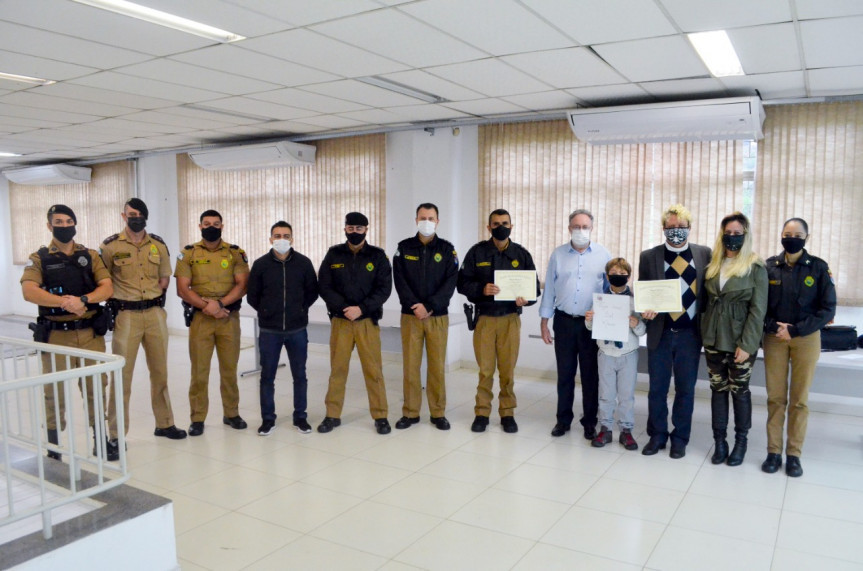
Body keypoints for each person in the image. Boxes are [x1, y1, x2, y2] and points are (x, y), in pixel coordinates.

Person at [21, 204, 116, 461]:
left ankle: (101, 440)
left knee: (96, 386)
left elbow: (107, 288)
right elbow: (29, 291)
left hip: (89, 334)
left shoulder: (90, 255)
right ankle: (54, 447)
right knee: (53, 392)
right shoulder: (39, 257)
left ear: (75, 223)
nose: (64, 226)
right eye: (58, 222)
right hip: (56, 336)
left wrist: (83, 299)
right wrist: (65, 302)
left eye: (68, 221)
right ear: (49, 226)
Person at [101, 198, 187, 445]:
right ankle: (116, 434)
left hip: (154, 314)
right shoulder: (109, 246)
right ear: (123, 216)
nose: (135, 217)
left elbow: (164, 280)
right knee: (122, 376)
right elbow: (103, 281)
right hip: (126, 315)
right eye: (131, 213)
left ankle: (165, 423)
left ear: (146, 216)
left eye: (139, 213)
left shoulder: (158, 244)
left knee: (160, 373)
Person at [761, 218, 836, 477]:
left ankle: (793, 454)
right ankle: (773, 451)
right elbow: (759, 305)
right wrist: (774, 327)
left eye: (797, 234)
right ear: (781, 235)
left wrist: (795, 329)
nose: (791, 237)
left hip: (805, 338)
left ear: (807, 237)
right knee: (775, 397)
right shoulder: (769, 266)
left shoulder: (818, 267)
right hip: (774, 339)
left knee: (799, 400)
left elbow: (828, 309)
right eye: (787, 233)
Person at [457, 209, 540, 434]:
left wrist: (526, 300)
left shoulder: (521, 254)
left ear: (511, 226)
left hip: (510, 320)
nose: (500, 227)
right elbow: (462, 283)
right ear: (488, 227)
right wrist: (481, 289)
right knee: (485, 371)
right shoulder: (477, 252)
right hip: (484, 319)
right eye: (495, 224)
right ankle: (482, 413)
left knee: (507, 371)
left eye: (504, 223)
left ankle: (507, 413)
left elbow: (534, 288)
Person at [639, 204, 712, 459]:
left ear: (689, 228)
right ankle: (657, 435)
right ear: (663, 229)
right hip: (661, 333)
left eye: (681, 227)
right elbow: (644, 292)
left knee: (685, 389)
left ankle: (680, 437)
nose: (676, 232)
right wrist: (645, 310)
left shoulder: (704, 254)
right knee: (657, 389)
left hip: (690, 335)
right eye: (671, 228)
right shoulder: (649, 256)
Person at [174, 209, 249, 436]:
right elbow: (182, 289)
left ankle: (231, 413)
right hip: (201, 320)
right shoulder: (188, 253)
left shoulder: (236, 253)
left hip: (228, 319)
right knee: (199, 371)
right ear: (200, 226)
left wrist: (219, 305)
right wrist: (208, 307)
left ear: (222, 226)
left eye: (216, 223)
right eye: (207, 223)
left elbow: (242, 285)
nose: (211, 227)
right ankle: (197, 418)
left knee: (229, 369)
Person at [701, 212, 768, 467]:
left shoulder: (755, 266)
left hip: (741, 342)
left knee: (739, 392)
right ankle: (720, 441)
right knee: (718, 391)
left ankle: (741, 442)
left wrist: (747, 345)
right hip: (713, 339)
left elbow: (757, 310)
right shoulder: (713, 264)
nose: (732, 238)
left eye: (737, 234)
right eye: (727, 233)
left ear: (746, 235)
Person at [317, 212, 393, 435]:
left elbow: (384, 289)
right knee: (337, 370)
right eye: (351, 229)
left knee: (374, 370)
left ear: (366, 230)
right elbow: (324, 285)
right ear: (345, 229)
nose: (355, 233)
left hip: (367, 321)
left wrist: (361, 308)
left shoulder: (378, 256)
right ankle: (332, 415)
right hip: (341, 321)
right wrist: (344, 308)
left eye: (359, 229)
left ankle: (380, 416)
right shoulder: (334, 254)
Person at [540, 209, 610, 439]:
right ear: (569, 228)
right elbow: (549, 288)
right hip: (564, 322)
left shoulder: (603, 255)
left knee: (591, 376)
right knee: (565, 374)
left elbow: (611, 291)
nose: (581, 231)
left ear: (592, 228)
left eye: (585, 227)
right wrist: (544, 321)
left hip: (591, 325)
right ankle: (563, 420)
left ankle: (590, 421)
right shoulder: (558, 254)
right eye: (576, 226)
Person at [246, 221, 318, 436]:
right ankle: (268, 419)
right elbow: (252, 296)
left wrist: (299, 310)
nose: (281, 239)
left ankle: (300, 417)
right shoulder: (260, 265)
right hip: (270, 330)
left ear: (292, 238)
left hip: (297, 329)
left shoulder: (304, 263)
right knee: (267, 376)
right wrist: (267, 311)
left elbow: (312, 292)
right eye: (277, 235)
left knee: (300, 375)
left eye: (286, 235)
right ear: (270, 239)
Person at [392, 203, 458, 431]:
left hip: (437, 316)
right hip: (410, 317)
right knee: (410, 366)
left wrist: (429, 306)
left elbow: (450, 284)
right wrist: (415, 306)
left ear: (438, 221)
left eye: (431, 218)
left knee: (436, 367)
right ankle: (410, 412)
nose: (426, 222)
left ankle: (438, 412)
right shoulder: (403, 248)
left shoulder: (448, 250)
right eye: (423, 217)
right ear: (416, 219)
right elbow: (399, 281)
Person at [585, 258, 645, 450]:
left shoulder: (636, 301)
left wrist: (637, 324)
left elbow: (642, 331)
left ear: (628, 276)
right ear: (607, 275)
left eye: (622, 274)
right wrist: (589, 319)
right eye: (613, 273)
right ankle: (606, 428)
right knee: (606, 394)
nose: (617, 277)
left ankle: (626, 431)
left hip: (628, 353)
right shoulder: (600, 300)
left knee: (626, 395)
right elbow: (590, 327)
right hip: (605, 353)